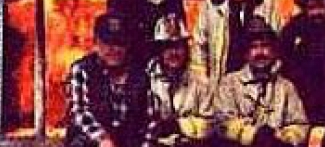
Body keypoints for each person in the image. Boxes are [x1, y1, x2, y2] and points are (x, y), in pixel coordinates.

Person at [214, 16, 309, 147]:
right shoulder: (229, 84)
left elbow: (300, 125)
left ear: (274, 52)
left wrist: (279, 137)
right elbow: (223, 123)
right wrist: (253, 135)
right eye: (254, 47)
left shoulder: (286, 87)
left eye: (265, 46)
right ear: (245, 53)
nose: (260, 52)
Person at [65, 13, 150, 147]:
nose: (114, 49)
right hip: (91, 142)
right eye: (107, 43)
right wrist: (102, 139)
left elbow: (149, 120)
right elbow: (79, 112)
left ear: (128, 45)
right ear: (96, 42)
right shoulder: (81, 69)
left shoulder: (140, 75)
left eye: (119, 43)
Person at [145, 14, 213, 147]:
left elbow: (211, 124)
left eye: (178, 46)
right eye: (168, 47)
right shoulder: (146, 80)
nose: (174, 53)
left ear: (186, 49)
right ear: (159, 50)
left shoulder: (200, 82)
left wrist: (179, 126)